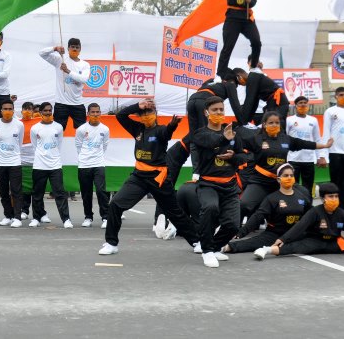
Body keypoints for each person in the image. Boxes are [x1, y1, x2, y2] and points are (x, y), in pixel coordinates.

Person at [99, 99, 199, 256]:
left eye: (149, 112)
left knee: (175, 213)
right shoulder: (137, 129)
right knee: (115, 205)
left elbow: (166, 133)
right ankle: (111, 243)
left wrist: (172, 126)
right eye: (143, 114)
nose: (146, 116)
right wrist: (138, 105)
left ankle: (196, 242)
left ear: (156, 114)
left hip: (158, 178)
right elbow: (121, 116)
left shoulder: (159, 131)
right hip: (138, 176)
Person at [242, 112, 332, 223]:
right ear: (264, 124)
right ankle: (237, 226)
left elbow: (304, 144)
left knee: (304, 195)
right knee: (244, 204)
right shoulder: (256, 139)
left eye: (277, 123)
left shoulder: (285, 139)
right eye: (271, 123)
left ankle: (310, 224)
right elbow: (238, 145)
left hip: (281, 182)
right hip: (260, 181)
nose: (274, 125)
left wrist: (324, 146)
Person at [190, 96, 245, 267]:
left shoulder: (233, 133)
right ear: (207, 113)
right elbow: (211, 141)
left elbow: (244, 156)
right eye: (215, 110)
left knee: (234, 224)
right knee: (210, 208)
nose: (219, 112)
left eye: (221, 109)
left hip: (229, 185)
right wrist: (224, 138)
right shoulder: (200, 134)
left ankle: (214, 247)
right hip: (208, 184)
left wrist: (234, 157)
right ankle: (206, 251)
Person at [224, 163, 312, 255]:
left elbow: (311, 215)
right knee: (248, 244)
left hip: (294, 234)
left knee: (310, 244)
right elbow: (258, 216)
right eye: (286, 175)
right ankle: (224, 247)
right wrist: (241, 233)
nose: (289, 178)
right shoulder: (271, 198)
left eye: (291, 175)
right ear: (278, 179)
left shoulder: (302, 196)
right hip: (274, 234)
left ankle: (270, 250)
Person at [29, 102, 71, 228]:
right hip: (39, 165)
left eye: (50, 110)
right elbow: (34, 145)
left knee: (59, 193)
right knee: (37, 193)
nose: (48, 113)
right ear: (40, 112)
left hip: (55, 165)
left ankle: (66, 219)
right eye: (45, 111)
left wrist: (52, 155)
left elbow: (59, 144)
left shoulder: (58, 127)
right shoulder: (35, 128)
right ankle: (36, 218)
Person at [319, 87, 344, 211]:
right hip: (335, 152)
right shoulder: (330, 111)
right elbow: (326, 133)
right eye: (341, 95)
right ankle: (334, 208)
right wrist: (323, 155)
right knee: (335, 184)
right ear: (335, 96)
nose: (343, 97)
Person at [216, 0, 260, 79]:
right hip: (232, 19)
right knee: (228, 47)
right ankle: (220, 74)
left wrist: (250, 0)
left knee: (256, 42)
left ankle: (254, 67)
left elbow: (254, 2)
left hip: (246, 18)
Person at [39, 38, 91, 130]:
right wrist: (55, 48)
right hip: (61, 103)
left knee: (82, 131)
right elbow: (41, 53)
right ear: (68, 48)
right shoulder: (60, 59)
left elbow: (84, 79)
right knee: (57, 131)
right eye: (72, 47)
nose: (74, 49)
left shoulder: (85, 64)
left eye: (77, 47)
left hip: (77, 103)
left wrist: (68, 71)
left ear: (80, 49)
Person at [75, 103, 110, 228]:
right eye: (93, 112)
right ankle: (88, 217)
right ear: (88, 114)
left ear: (100, 113)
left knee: (101, 191)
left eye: (97, 112)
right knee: (86, 193)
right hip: (84, 165)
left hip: (98, 164)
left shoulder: (105, 129)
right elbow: (78, 146)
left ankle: (105, 217)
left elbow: (105, 146)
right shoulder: (81, 129)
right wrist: (85, 158)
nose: (95, 114)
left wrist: (96, 157)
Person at [0, 100, 24, 227]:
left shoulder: (19, 125)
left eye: (10, 109)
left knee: (16, 191)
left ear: (13, 110)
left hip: (15, 162)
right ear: (1, 110)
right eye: (5, 109)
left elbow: (19, 143)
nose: (8, 111)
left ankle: (17, 217)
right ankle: (8, 216)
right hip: (0, 162)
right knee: (3, 191)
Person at [286, 97, 320, 197]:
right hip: (293, 159)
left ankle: (308, 209)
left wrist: (320, 157)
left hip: (308, 159)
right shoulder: (289, 120)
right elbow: (285, 139)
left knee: (308, 188)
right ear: (295, 106)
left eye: (305, 103)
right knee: (292, 186)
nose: (303, 105)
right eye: (300, 103)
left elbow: (317, 139)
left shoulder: (313, 120)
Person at [19, 102, 37, 220]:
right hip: (21, 158)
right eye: (25, 109)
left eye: (29, 109)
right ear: (21, 110)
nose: (27, 111)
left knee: (37, 187)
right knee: (24, 187)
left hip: (35, 159)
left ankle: (40, 212)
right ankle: (24, 210)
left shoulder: (38, 123)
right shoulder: (17, 123)